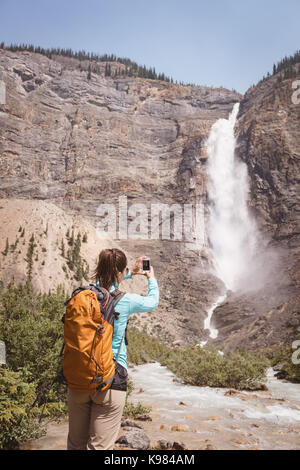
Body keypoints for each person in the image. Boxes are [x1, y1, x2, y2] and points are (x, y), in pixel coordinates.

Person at [67, 248, 159, 450]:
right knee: (100, 448)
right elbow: (153, 301)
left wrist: (128, 273)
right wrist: (150, 277)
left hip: (79, 379)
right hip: (111, 380)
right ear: (121, 270)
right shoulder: (126, 301)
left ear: (98, 267)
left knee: (75, 445)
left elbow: (105, 286)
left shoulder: (84, 295)